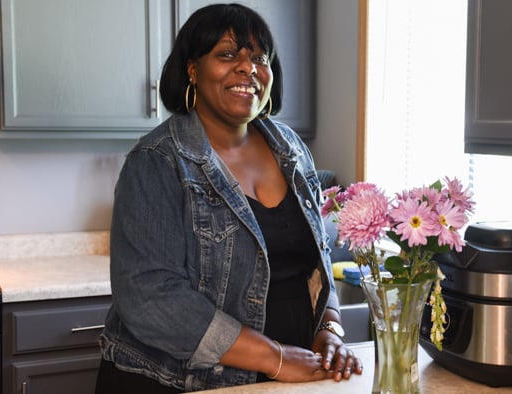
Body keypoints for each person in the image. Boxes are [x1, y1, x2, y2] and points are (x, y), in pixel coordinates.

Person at [95, 4, 363, 393]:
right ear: (192, 69)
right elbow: (150, 298)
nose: (248, 67)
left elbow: (316, 261)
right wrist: (276, 357)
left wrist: (329, 330)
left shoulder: (291, 148)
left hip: (282, 380)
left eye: (259, 57)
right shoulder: (157, 162)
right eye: (226, 54)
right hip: (174, 383)